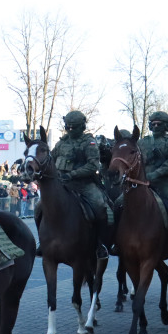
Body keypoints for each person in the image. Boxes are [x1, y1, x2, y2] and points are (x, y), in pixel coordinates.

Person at [44, 110, 112, 259]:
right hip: (62, 185)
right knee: (39, 209)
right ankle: (43, 242)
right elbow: (51, 159)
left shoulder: (89, 142)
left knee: (100, 206)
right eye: (68, 127)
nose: (70, 130)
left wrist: (73, 174)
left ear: (82, 126)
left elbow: (93, 165)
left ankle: (101, 244)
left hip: (84, 185)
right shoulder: (61, 143)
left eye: (73, 127)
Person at [136, 111, 168, 263]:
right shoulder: (142, 143)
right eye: (153, 123)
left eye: (160, 124)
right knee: (120, 203)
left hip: (166, 183)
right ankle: (116, 242)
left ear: (167, 126)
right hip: (143, 183)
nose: (156, 126)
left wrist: (156, 174)